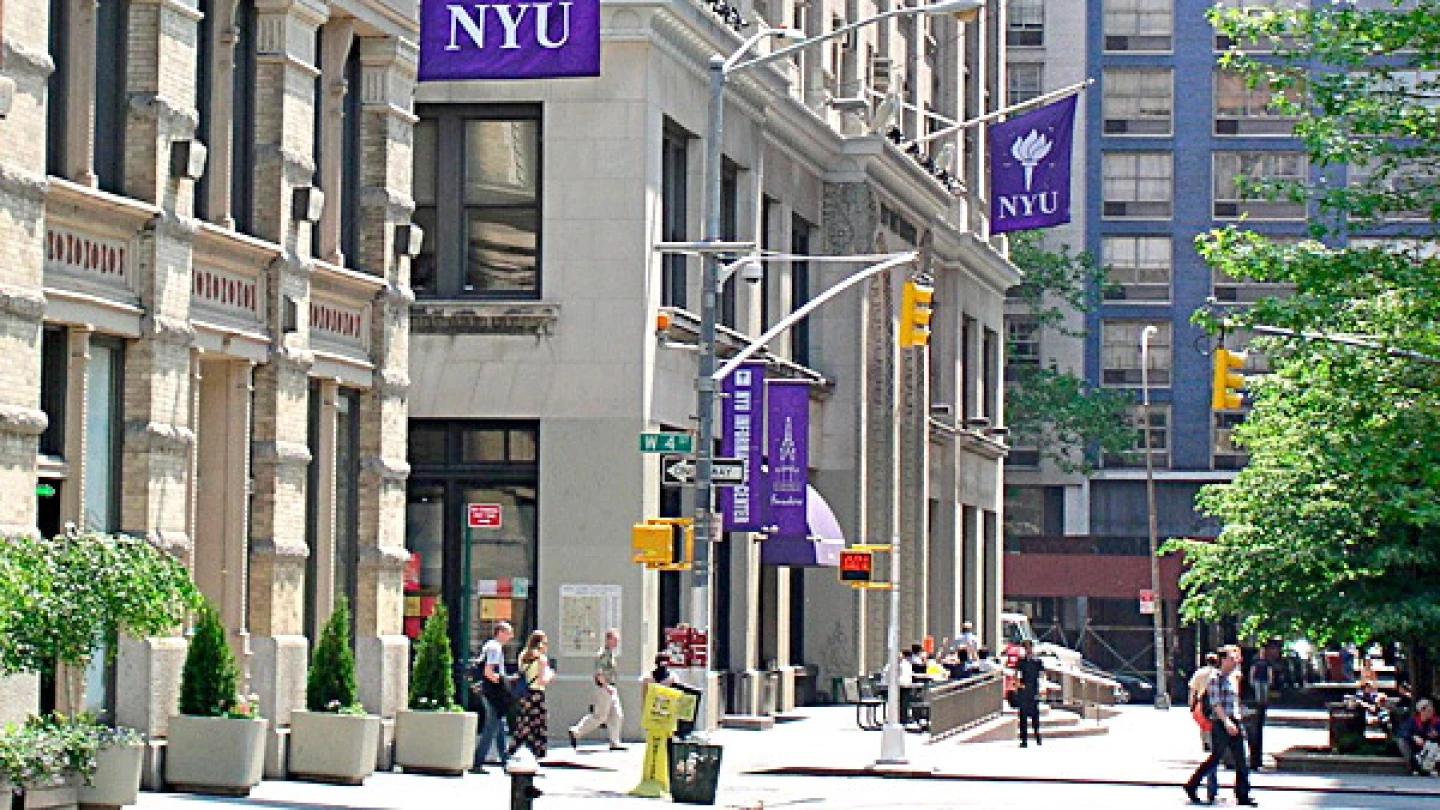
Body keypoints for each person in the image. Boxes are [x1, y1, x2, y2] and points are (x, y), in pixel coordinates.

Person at [1185, 645, 1257, 807]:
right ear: (1223, 660)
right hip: (1221, 723)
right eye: (1232, 659)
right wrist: (1226, 721)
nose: (1235, 662)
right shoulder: (1214, 678)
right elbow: (1216, 704)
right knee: (1215, 758)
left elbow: (1233, 701)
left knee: (1241, 759)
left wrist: (1238, 716)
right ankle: (1192, 785)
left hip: (1234, 721)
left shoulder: (1232, 677)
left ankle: (1243, 795)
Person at [568, 628, 626, 751]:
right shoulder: (603, 655)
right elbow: (598, 674)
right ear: (608, 639)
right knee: (599, 716)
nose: (617, 643)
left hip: (611, 687)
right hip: (604, 688)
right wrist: (606, 687)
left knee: (617, 715)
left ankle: (614, 742)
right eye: (615, 640)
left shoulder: (610, 653)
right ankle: (576, 731)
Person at [507, 629, 556, 761]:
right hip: (537, 693)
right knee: (539, 724)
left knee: (524, 722)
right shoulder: (541, 658)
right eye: (545, 643)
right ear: (540, 644)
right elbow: (541, 680)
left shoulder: (523, 655)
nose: (546, 646)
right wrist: (551, 674)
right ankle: (537, 751)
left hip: (525, 693)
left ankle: (513, 748)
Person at [473, 621, 514, 772]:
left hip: (489, 691)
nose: (511, 636)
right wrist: (503, 682)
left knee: (500, 725)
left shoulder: (490, 646)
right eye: (509, 632)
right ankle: (477, 761)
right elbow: (488, 672)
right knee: (491, 726)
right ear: (500, 632)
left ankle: (505, 761)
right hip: (492, 692)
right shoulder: (495, 648)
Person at [1188, 653, 1221, 801]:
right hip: (1218, 715)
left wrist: (1192, 708)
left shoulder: (1199, 673)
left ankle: (1209, 786)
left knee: (1210, 752)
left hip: (1203, 714)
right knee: (1215, 753)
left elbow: (1193, 693)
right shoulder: (1220, 674)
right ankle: (1212, 789)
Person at [1395, 698, 1440, 775]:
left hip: (1432, 749)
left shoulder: (1436, 721)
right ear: (1422, 711)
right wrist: (1414, 737)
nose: (1432, 710)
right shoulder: (1413, 721)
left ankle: (1434, 768)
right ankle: (1413, 766)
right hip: (1416, 749)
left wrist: (1437, 734)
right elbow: (1402, 732)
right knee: (1401, 741)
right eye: (1429, 709)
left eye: (1432, 708)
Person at [1014, 639, 1043, 748]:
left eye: (1029, 647)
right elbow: (1016, 674)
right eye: (1025, 648)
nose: (1027, 650)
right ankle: (1024, 739)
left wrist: (1042, 687)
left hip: (1034, 689)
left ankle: (1037, 735)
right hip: (1024, 690)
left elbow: (1042, 674)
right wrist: (1017, 684)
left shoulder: (1037, 661)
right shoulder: (1021, 661)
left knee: (1035, 714)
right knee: (1023, 715)